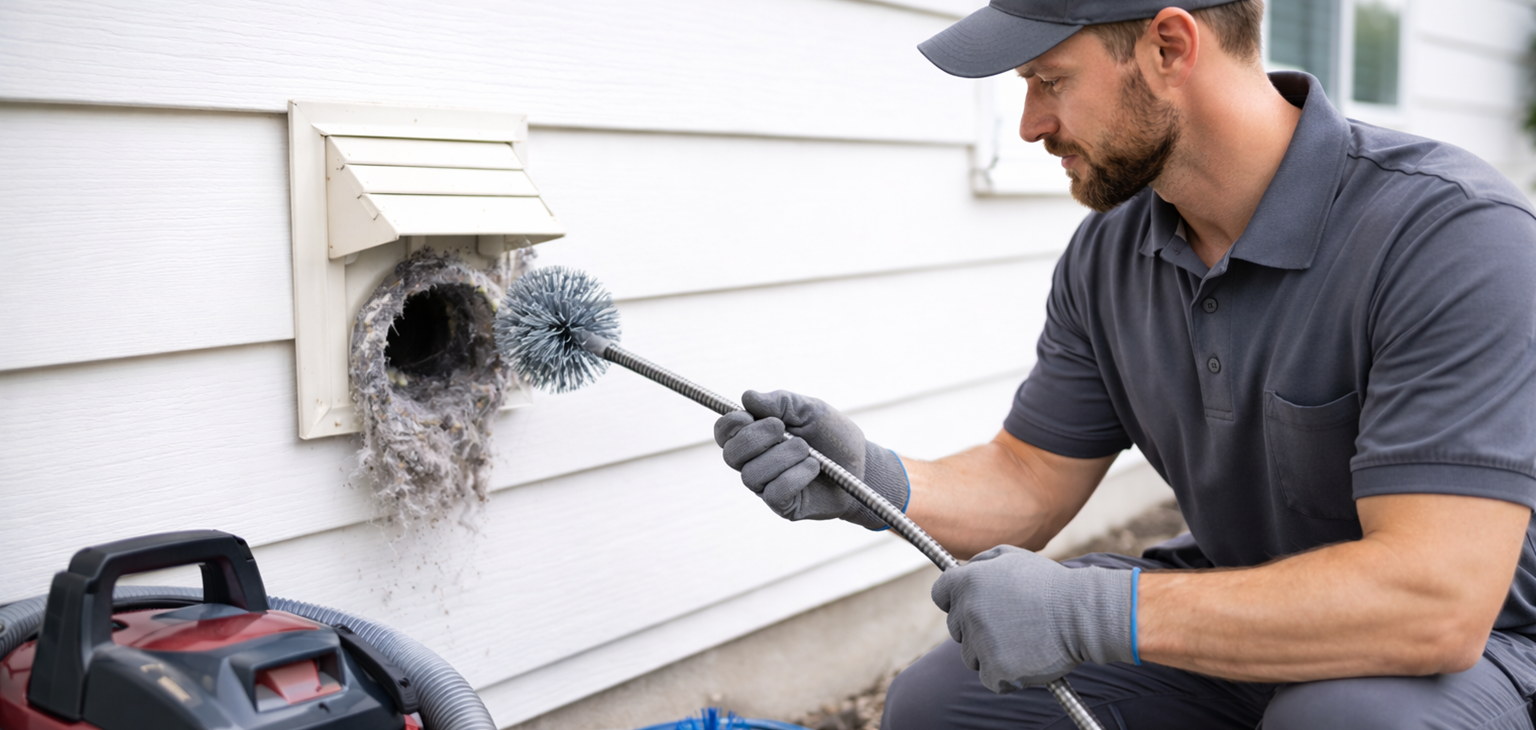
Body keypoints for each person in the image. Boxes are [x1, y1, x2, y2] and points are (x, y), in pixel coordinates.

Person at [712, 1, 1536, 728]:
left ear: (1169, 47)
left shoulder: (1451, 238)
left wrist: (1099, 611)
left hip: (1483, 649)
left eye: (1050, 80)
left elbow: (1436, 604)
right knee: (945, 703)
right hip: (1240, 613)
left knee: (1347, 719)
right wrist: (873, 480)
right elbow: (1031, 477)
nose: (1031, 123)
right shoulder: (1113, 251)